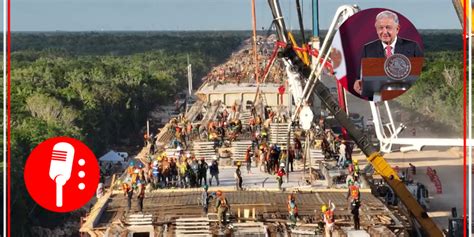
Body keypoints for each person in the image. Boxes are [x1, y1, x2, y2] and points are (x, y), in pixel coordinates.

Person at [353, 10, 423, 96]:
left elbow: (421, 73)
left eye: (388, 27)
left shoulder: (413, 47)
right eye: (381, 28)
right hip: (378, 96)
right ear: (376, 29)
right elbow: (361, 76)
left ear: (397, 29)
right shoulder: (368, 49)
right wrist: (359, 83)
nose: (384, 32)